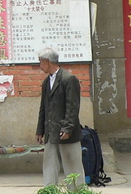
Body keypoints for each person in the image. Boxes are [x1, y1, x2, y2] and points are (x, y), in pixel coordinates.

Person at [35, 47, 85, 188]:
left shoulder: (69, 79)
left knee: (72, 166)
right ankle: (50, 189)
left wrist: (68, 128)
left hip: (66, 132)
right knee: (50, 164)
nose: (40, 66)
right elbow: (43, 108)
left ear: (47, 61)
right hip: (51, 131)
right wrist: (40, 130)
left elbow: (73, 107)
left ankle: (76, 191)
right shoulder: (46, 82)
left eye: (41, 62)